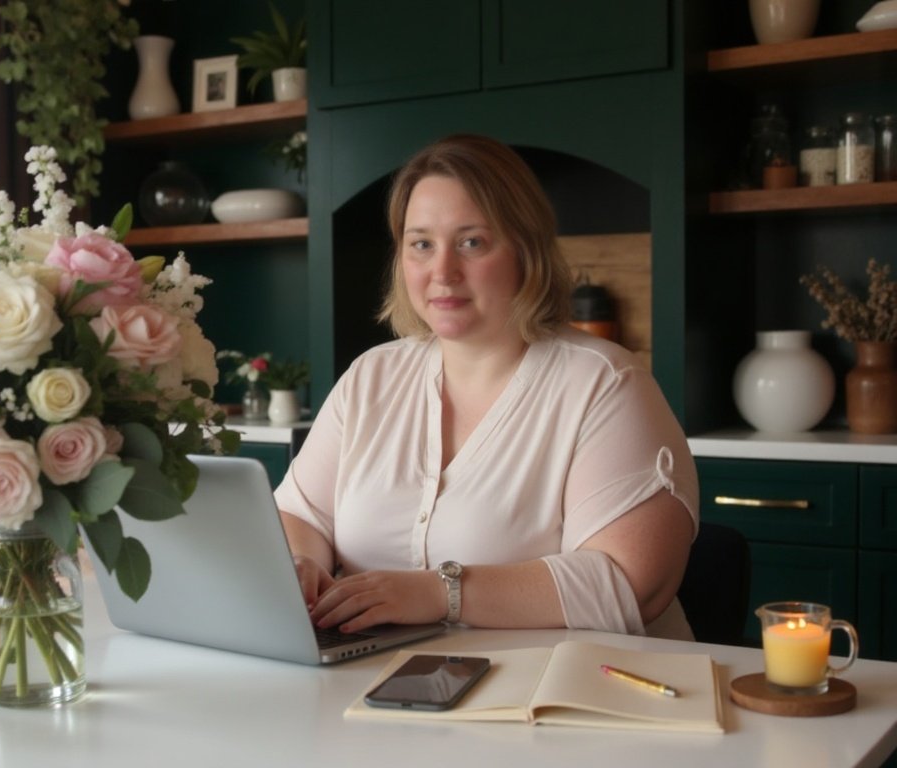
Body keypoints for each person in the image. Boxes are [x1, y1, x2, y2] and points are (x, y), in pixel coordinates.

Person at [275, 134, 699, 640]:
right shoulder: (372, 377)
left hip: (566, 694)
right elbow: (299, 513)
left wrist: (437, 592)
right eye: (421, 244)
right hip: (383, 685)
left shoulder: (603, 384)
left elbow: (634, 584)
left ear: (525, 248)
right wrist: (301, 562)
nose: (442, 272)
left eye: (471, 242)